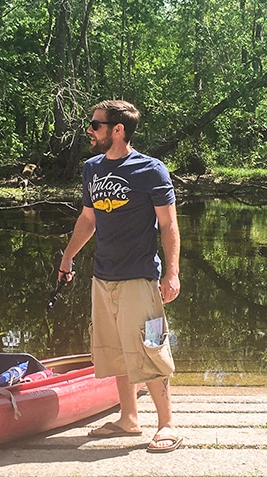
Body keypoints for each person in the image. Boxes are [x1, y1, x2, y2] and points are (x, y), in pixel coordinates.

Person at [58, 100, 182, 453]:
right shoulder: (92, 169)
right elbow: (88, 219)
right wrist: (68, 258)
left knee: (151, 349)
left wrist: (171, 272)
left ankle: (167, 424)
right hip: (103, 277)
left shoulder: (150, 170)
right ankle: (129, 419)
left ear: (118, 130)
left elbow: (169, 224)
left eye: (96, 125)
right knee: (114, 351)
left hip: (140, 278)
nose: (90, 131)